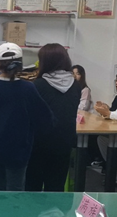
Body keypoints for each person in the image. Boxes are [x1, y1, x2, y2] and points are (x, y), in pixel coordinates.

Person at [0, 43, 54, 191]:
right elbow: (45, 117)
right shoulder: (28, 88)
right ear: (20, 63)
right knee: (16, 188)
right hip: (18, 148)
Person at [25, 44, 82, 192]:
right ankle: (56, 208)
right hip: (65, 140)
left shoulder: (38, 85)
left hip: (39, 142)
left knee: (32, 185)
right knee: (56, 185)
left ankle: (32, 208)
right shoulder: (75, 85)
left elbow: (30, 115)